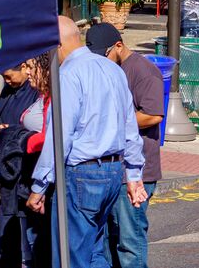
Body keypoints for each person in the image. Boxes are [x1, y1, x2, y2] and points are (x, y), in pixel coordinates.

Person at [28, 17, 147, 267]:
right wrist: (134, 174)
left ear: (56, 44)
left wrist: (39, 185)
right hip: (113, 171)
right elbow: (129, 127)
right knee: (94, 250)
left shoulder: (68, 74)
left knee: (72, 255)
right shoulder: (112, 68)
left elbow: (59, 136)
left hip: (82, 173)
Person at [84, 24, 164, 268]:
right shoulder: (107, 68)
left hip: (137, 170)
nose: (102, 60)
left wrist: (110, 120)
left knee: (129, 240)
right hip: (111, 170)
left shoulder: (143, 71)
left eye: (105, 54)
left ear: (119, 45)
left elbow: (153, 115)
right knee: (107, 239)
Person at [0, 65, 38, 268]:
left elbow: (39, 126)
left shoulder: (36, 90)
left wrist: (12, 130)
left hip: (29, 170)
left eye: (9, 77)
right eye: (4, 78)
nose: (7, 81)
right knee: (8, 231)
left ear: (25, 68)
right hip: (9, 170)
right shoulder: (8, 90)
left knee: (33, 234)